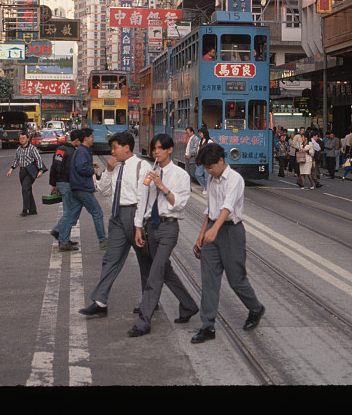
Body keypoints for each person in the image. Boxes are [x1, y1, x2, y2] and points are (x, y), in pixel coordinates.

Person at [192, 143, 265, 344]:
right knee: (209, 280)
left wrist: (214, 230)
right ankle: (207, 326)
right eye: (206, 168)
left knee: (236, 280)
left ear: (221, 161)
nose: (208, 171)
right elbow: (211, 209)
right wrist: (203, 233)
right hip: (212, 231)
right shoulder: (211, 179)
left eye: (210, 167)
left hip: (231, 232)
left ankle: (256, 308)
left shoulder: (235, 180)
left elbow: (227, 207)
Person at [126, 134, 198, 337]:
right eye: (154, 148)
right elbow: (143, 201)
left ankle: (144, 321)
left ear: (169, 150)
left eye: (160, 148)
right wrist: (138, 227)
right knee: (165, 271)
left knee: (155, 273)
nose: (156, 152)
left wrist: (161, 186)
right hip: (151, 228)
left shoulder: (180, 175)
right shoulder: (150, 172)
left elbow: (179, 203)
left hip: (168, 228)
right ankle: (189, 305)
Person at [78, 132, 153, 317]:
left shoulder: (142, 166)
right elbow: (103, 191)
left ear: (127, 147)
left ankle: (150, 300)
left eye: (115, 147)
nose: (112, 151)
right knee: (111, 259)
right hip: (117, 216)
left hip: (136, 214)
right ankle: (100, 301)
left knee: (145, 260)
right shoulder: (115, 167)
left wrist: (139, 222)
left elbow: (146, 195)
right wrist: (109, 171)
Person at [68, 128, 107, 248]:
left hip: (77, 187)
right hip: (83, 187)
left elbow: (80, 165)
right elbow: (81, 167)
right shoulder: (83, 151)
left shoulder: (81, 150)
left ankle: (62, 238)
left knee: (72, 215)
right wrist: (92, 170)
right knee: (97, 213)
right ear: (86, 138)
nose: (93, 139)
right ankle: (102, 240)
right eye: (91, 137)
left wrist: (90, 165)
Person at [48, 129, 82, 251]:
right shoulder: (72, 152)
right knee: (69, 212)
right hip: (67, 183)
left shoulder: (60, 149)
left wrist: (54, 184)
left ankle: (63, 236)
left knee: (69, 211)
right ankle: (62, 239)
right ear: (77, 140)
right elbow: (71, 170)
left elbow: (53, 167)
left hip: (60, 183)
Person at [6, 132, 46, 216]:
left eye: (24, 138)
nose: (22, 140)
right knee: (27, 189)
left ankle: (25, 209)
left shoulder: (32, 148)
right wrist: (11, 169)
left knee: (25, 188)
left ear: (28, 139)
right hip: (22, 171)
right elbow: (16, 160)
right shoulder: (19, 149)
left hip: (30, 171)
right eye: (20, 138)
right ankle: (33, 209)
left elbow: (38, 159)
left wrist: (40, 170)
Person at [194, 128, 214, 195]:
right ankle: (205, 186)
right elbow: (198, 152)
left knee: (207, 176)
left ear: (204, 133)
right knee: (197, 174)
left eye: (200, 133)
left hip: (207, 161)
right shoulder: (200, 142)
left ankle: (206, 188)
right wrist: (197, 161)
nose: (199, 134)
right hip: (201, 161)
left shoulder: (209, 142)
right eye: (199, 133)